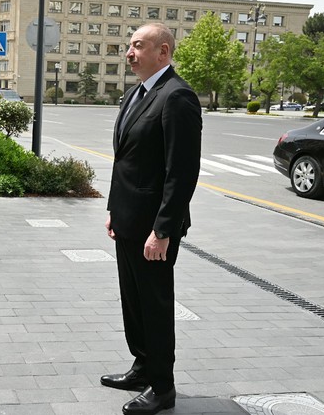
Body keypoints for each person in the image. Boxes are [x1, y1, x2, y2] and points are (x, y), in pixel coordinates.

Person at [102, 23, 202, 415]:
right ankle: (142, 366)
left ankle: (162, 387)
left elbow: (181, 172)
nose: (130, 52)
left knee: (155, 305)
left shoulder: (177, 97)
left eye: (138, 46)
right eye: (129, 45)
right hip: (128, 220)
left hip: (153, 228)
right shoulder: (136, 94)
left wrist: (162, 230)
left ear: (163, 52)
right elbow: (125, 160)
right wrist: (114, 209)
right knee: (134, 302)